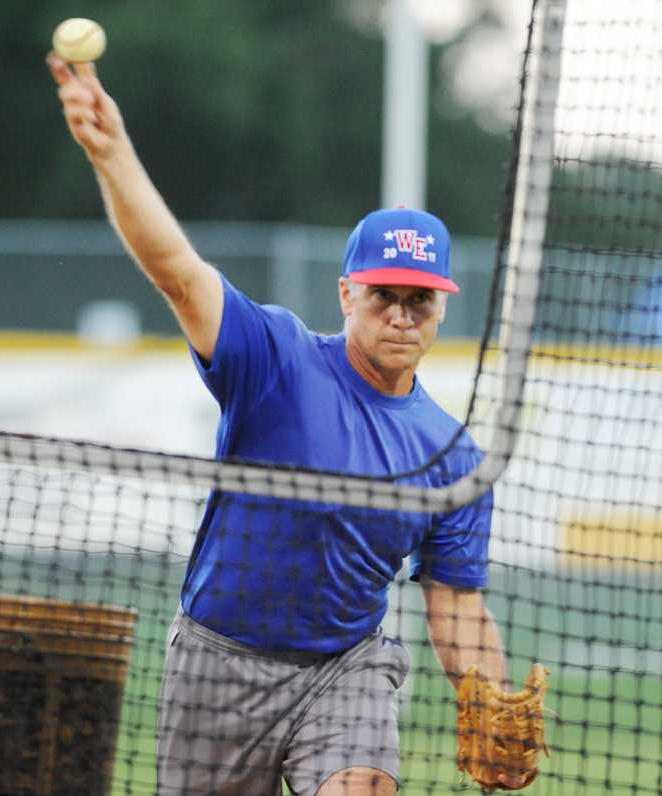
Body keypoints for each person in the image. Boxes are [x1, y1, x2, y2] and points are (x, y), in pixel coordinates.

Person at [47, 54, 524, 795]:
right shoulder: (276, 358)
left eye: (420, 299)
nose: (401, 313)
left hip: (346, 667)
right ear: (346, 293)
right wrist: (113, 155)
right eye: (383, 294)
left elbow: (456, 600)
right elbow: (177, 269)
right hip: (218, 662)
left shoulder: (453, 456)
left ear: (442, 308)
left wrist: (486, 695)